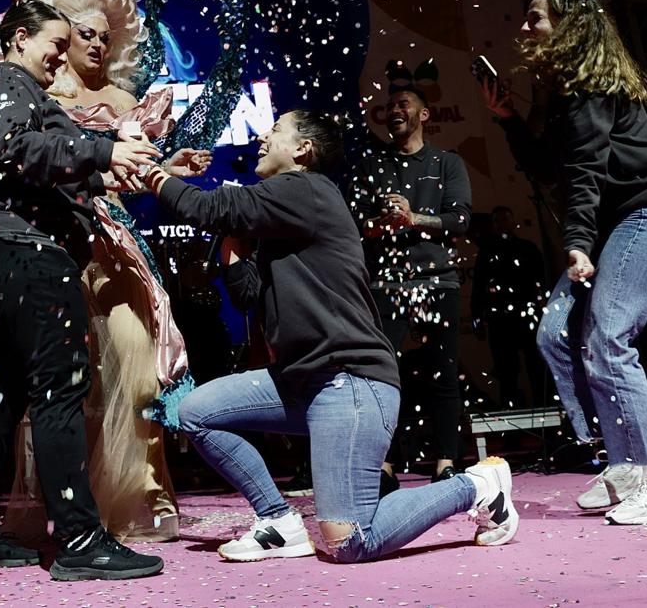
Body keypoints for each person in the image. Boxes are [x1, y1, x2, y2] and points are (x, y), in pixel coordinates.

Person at [142, 110, 517, 561]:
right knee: (195, 410)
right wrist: (234, 238)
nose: (262, 135)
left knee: (350, 540)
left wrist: (151, 172)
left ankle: (477, 486)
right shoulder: (285, 218)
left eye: (275, 129)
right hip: (302, 380)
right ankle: (278, 522)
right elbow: (246, 294)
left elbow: (208, 207)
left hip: (350, 380)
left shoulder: (307, 190)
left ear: (303, 150)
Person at [0, 0, 166, 581]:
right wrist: (102, 150)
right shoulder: (7, 82)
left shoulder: (18, 89)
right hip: (25, 252)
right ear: (19, 39)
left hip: (2, 247)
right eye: (56, 44)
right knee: (60, 386)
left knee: (2, 389)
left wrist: (104, 170)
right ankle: (80, 539)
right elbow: (13, 148)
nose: (61, 58)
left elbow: (37, 163)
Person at [5, 0, 210, 542]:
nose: (96, 43)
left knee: (140, 367)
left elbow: (129, 174)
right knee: (68, 380)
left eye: (104, 36)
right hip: (58, 242)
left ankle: (148, 490)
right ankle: (72, 502)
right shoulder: (36, 91)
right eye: (85, 34)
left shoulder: (124, 97)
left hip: (115, 247)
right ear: (61, 37)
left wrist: (167, 168)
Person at [481, 0, 647, 525]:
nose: (526, 27)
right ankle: (624, 461)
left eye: (536, 17)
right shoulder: (562, 94)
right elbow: (551, 169)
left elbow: (587, 174)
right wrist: (508, 117)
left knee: (608, 339)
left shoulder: (591, 85)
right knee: (555, 335)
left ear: (571, 26)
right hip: (612, 227)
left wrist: (576, 242)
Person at [349, 87, 472, 489]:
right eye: (389, 107)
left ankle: (446, 462)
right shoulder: (370, 164)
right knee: (384, 377)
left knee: (444, 374)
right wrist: (382, 223)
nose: (395, 111)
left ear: (424, 113)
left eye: (404, 104)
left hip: (438, 280)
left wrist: (414, 217)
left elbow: (460, 220)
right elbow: (356, 226)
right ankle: (384, 466)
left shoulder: (447, 163)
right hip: (387, 283)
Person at [471, 206, 548, 408]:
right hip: (500, 319)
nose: (502, 224)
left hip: (528, 315)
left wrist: (544, 310)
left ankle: (544, 407)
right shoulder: (486, 252)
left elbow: (542, 280)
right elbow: (478, 287)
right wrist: (477, 318)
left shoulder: (528, 249)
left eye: (505, 219)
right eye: (497, 220)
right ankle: (511, 415)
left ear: (513, 222)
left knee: (536, 364)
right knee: (506, 369)